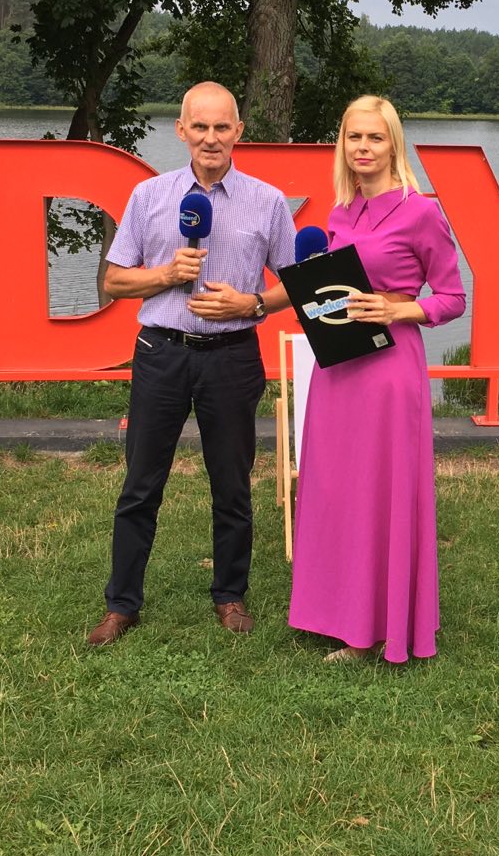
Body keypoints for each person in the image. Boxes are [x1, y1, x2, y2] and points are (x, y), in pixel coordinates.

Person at [87, 82, 296, 646]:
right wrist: (165, 275)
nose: (210, 138)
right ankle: (121, 604)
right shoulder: (148, 196)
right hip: (161, 354)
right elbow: (114, 281)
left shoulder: (268, 201)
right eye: (199, 127)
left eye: (221, 127)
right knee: (140, 484)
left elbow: (299, 283)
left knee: (232, 484)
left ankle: (230, 595)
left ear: (238, 132)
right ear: (181, 130)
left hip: (232, 357)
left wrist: (251, 304)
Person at [288, 95, 466, 663]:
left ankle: (375, 629)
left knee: (377, 492)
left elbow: (452, 297)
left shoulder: (420, 212)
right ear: (342, 144)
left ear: (393, 145)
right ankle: (336, 612)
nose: (362, 148)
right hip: (338, 367)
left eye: (374, 138)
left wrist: (397, 309)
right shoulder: (341, 213)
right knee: (335, 488)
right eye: (353, 137)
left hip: (389, 371)